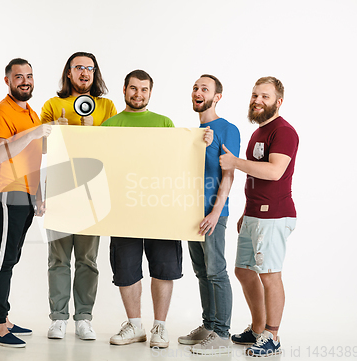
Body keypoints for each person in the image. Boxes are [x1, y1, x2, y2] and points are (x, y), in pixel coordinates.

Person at [101, 70, 213, 349]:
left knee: (164, 268)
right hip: (123, 209)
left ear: (150, 93)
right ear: (124, 90)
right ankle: (135, 326)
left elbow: (177, 161)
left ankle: (159, 328)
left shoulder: (164, 122)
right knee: (125, 269)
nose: (138, 94)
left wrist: (201, 143)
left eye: (144, 90)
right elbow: (101, 165)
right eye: (134, 89)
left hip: (160, 207)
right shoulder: (110, 125)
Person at [219, 76, 298, 357]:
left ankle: (272, 336)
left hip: (274, 215)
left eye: (264, 96)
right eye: (254, 95)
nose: (257, 101)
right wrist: (246, 212)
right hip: (254, 215)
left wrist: (235, 162)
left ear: (278, 102)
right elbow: (256, 175)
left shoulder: (284, 132)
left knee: (269, 274)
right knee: (243, 270)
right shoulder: (258, 132)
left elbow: (274, 172)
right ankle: (257, 328)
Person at [40, 51, 116, 340]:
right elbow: (41, 149)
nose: (84, 72)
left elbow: (112, 147)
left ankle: (84, 318)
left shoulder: (107, 106)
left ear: (94, 74)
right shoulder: (52, 105)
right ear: (68, 72)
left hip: (92, 193)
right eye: (78, 68)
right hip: (60, 189)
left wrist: (91, 131)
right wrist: (54, 134)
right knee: (58, 259)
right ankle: (58, 318)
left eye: (90, 68)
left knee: (87, 259)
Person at [0, 58, 52, 348]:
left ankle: (5, 316)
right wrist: (36, 132)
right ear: (7, 81)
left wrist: (37, 195)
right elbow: (1, 154)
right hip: (4, 191)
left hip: (25, 193)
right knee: (2, 259)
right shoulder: (0, 112)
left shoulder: (31, 113)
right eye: (18, 76)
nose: (25, 81)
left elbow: (33, 157)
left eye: (29, 76)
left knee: (11, 257)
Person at [178, 75, 240, 355]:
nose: (198, 92)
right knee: (202, 272)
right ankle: (209, 326)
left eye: (205, 88)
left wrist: (216, 212)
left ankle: (222, 335)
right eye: (195, 88)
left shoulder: (228, 129)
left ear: (217, 97)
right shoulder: (195, 134)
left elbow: (229, 174)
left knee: (216, 272)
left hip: (213, 214)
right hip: (192, 213)